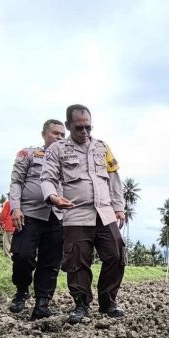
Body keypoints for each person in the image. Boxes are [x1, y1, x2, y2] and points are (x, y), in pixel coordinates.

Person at [40, 105, 126, 324]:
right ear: (68, 125)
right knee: (77, 261)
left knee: (116, 256)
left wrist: (119, 207)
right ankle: (81, 303)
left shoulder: (102, 147)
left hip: (104, 213)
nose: (85, 132)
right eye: (79, 128)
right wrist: (52, 197)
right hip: (76, 213)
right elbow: (47, 178)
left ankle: (107, 302)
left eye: (88, 127)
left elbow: (115, 179)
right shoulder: (57, 149)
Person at [7, 119, 67, 320]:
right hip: (29, 214)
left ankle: (42, 302)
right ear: (44, 134)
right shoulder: (29, 154)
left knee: (50, 262)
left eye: (62, 134)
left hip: (57, 216)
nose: (59, 137)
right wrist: (15, 208)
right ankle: (21, 291)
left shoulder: (68, 160)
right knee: (22, 256)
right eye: (55, 133)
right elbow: (16, 182)